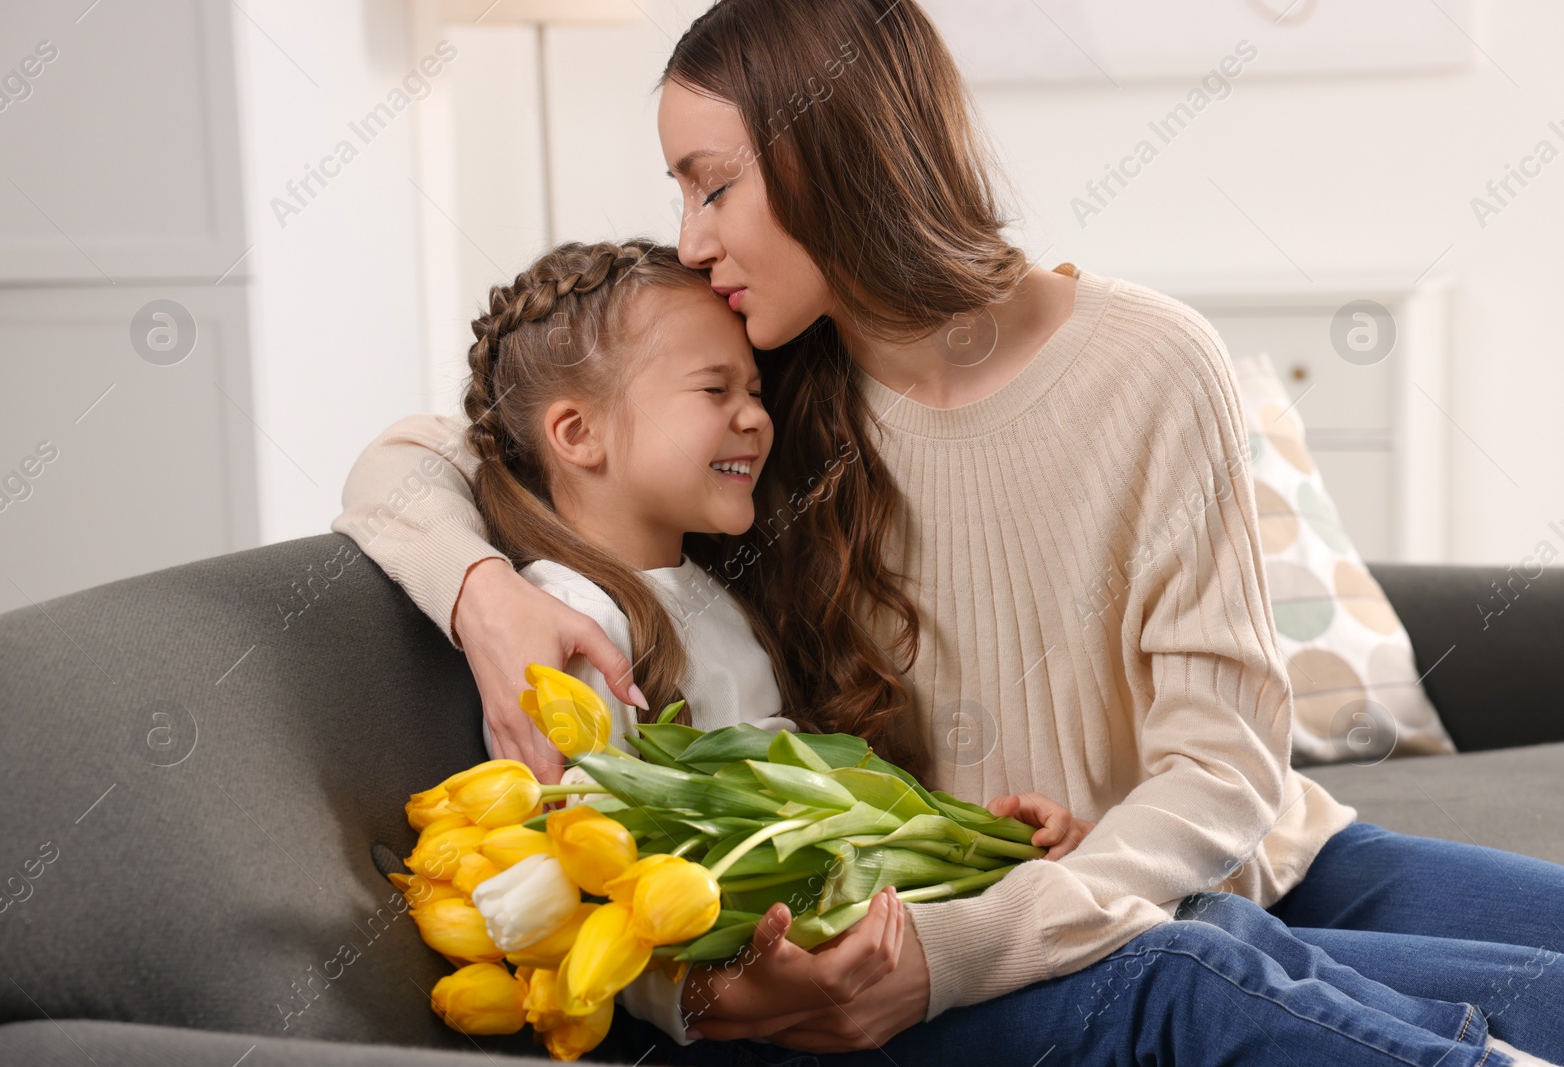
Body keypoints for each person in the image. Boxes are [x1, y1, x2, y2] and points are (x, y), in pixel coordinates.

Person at [335, 2, 1564, 1063]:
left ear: (833, 156)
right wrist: (483, 593)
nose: (695, 237)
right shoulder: (762, 399)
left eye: (714, 183)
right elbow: (424, 453)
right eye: (682, 193)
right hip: (974, 925)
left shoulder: (1149, 363)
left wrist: (978, 938)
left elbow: (1224, 768)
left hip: (1238, 868)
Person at [441, 235, 1097, 1050]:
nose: (756, 416)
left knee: (1205, 952)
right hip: (788, 1012)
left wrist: (985, 841)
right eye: (715, 389)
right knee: (1172, 979)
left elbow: (805, 797)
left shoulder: (705, 585)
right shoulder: (575, 627)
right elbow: (586, 885)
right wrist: (715, 993)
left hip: (866, 944)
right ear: (577, 434)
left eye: (753, 388)